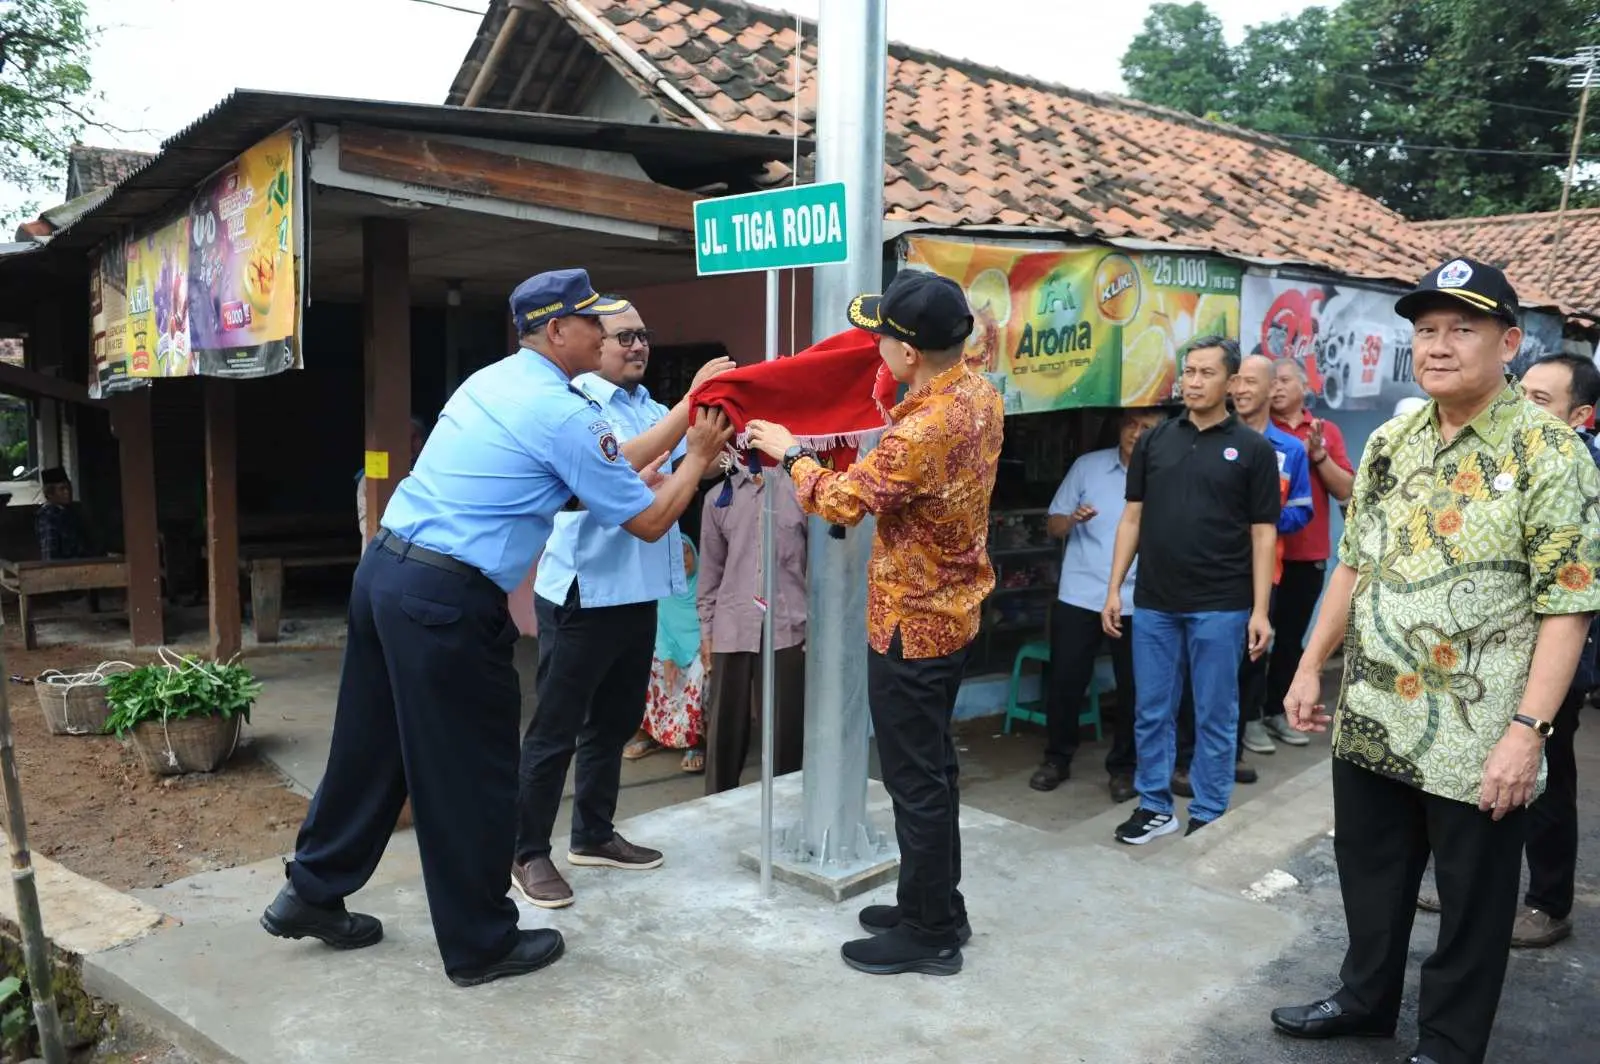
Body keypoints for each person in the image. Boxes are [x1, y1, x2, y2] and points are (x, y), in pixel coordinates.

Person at [260, 268, 732, 988]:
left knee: (371, 748)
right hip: (445, 600)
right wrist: (696, 456)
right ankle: (480, 942)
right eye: (593, 322)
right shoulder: (563, 411)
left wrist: (682, 421)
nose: (606, 333)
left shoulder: (497, 381)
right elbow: (647, 520)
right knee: (471, 773)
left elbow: (602, 465)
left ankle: (312, 891)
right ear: (556, 331)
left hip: (387, 574)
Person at [1272, 259, 1600, 1064]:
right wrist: (1311, 664)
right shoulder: (1392, 441)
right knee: (1371, 872)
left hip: (1478, 731)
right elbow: (1354, 562)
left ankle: (1449, 1042)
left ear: (1509, 343)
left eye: (1462, 329)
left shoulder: (1552, 453)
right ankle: (1364, 1000)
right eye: (1425, 330)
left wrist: (1528, 732)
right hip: (1375, 713)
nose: (1439, 346)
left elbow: (1568, 604)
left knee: (1472, 900)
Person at [747, 269, 1003, 977]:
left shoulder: (922, 428)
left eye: (882, 338)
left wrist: (793, 454)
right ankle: (936, 904)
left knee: (914, 784)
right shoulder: (978, 395)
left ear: (908, 353)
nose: (875, 347)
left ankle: (930, 934)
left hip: (910, 626)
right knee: (934, 775)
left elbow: (843, 502)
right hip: (953, 614)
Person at [512, 299, 734, 911]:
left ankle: (593, 834)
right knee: (556, 730)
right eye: (624, 337)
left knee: (612, 723)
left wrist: (717, 456)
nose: (638, 347)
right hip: (584, 593)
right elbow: (619, 474)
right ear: (594, 343)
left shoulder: (651, 409)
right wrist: (685, 438)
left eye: (643, 335)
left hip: (640, 591)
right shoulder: (579, 407)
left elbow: (684, 470)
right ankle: (526, 851)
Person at [1413, 352, 1600, 950]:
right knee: (1466, 771)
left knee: (1543, 778)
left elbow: (1573, 597)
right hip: (1483, 658)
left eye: (1542, 400)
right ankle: (1464, 882)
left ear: (1581, 415)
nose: (1522, 405)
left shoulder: (1578, 470)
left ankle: (1547, 902)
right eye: (1522, 392)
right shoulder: (1493, 457)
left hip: (1553, 661)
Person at [1103, 337, 1279, 844]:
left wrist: (1260, 611)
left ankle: (1208, 809)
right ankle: (1155, 806)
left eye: (1206, 373)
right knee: (1151, 709)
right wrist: (1114, 589)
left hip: (1221, 605)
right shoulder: (1156, 440)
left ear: (1232, 381)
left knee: (1215, 713)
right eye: (1189, 371)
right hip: (1155, 602)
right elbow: (1132, 516)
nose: (1194, 382)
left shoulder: (1253, 449)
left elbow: (1263, 533)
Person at [1172, 354, 1312, 788]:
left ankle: (1228, 755)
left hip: (1262, 578)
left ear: (1272, 389)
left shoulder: (1290, 450)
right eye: (1239, 381)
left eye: (1253, 382)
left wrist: (1259, 519)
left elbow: (1301, 510)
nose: (1243, 390)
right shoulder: (1206, 438)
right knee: (1196, 667)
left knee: (1247, 669)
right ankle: (1185, 758)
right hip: (1208, 572)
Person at [1029, 408, 1162, 803]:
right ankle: (1056, 758)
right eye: (1131, 424)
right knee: (1066, 681)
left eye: (1147, 427)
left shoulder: (1166, 472)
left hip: (1138, 598)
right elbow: (1052, 525)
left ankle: (1123, 769)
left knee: (1134, 688)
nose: (1136, 433)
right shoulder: (1088, 467)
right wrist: (1072, 519)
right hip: (1081, 593)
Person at [1258, 357, 1354, 748]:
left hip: (1306, 554)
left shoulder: (1324, 431)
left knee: (1290, 640)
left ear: (1304, 386)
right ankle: (1247, 718)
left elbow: (1346, 490)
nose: (1276, 388)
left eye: (1284, 380)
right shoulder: (1259, 429)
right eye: (1271, 381)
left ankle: (1277, 712)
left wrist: (1318, 456)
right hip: (1262, 557)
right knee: (1254, 640)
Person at [699, 453, 809, 795]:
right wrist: (707, 631)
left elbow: (819, 568)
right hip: (732, 625)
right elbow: (710, 572)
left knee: (786, 732)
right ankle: (717, 806)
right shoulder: (718, 498)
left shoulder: (803, 493)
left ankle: (786, 805)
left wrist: (817, 626)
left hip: (789, 626)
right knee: (725, 731)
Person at [629, 538, 708, 773]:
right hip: (674, 652)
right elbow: (661, 628)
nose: (683, 560)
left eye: (687, 553)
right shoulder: (664, 589)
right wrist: (667, 658)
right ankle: (652, 735)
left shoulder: (706, 585)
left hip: (702, 651)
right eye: (676, 555)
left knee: (700, 672)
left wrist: (699, 651)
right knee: (647, 665)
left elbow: (712, 624)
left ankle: (695, 743)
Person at [356, 417, 429, 547]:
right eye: (406, 438)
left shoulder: (426, 473)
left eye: (415, 437)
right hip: (384, 546)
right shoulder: (371, 478)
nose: (411, 444)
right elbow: (368, 523)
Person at [35, 468, 93, 560]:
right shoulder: (48, 517)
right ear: (50, 494)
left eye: (68, 488)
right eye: (62, 489)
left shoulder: (71, 512)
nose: (67, 492)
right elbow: (49, 553)